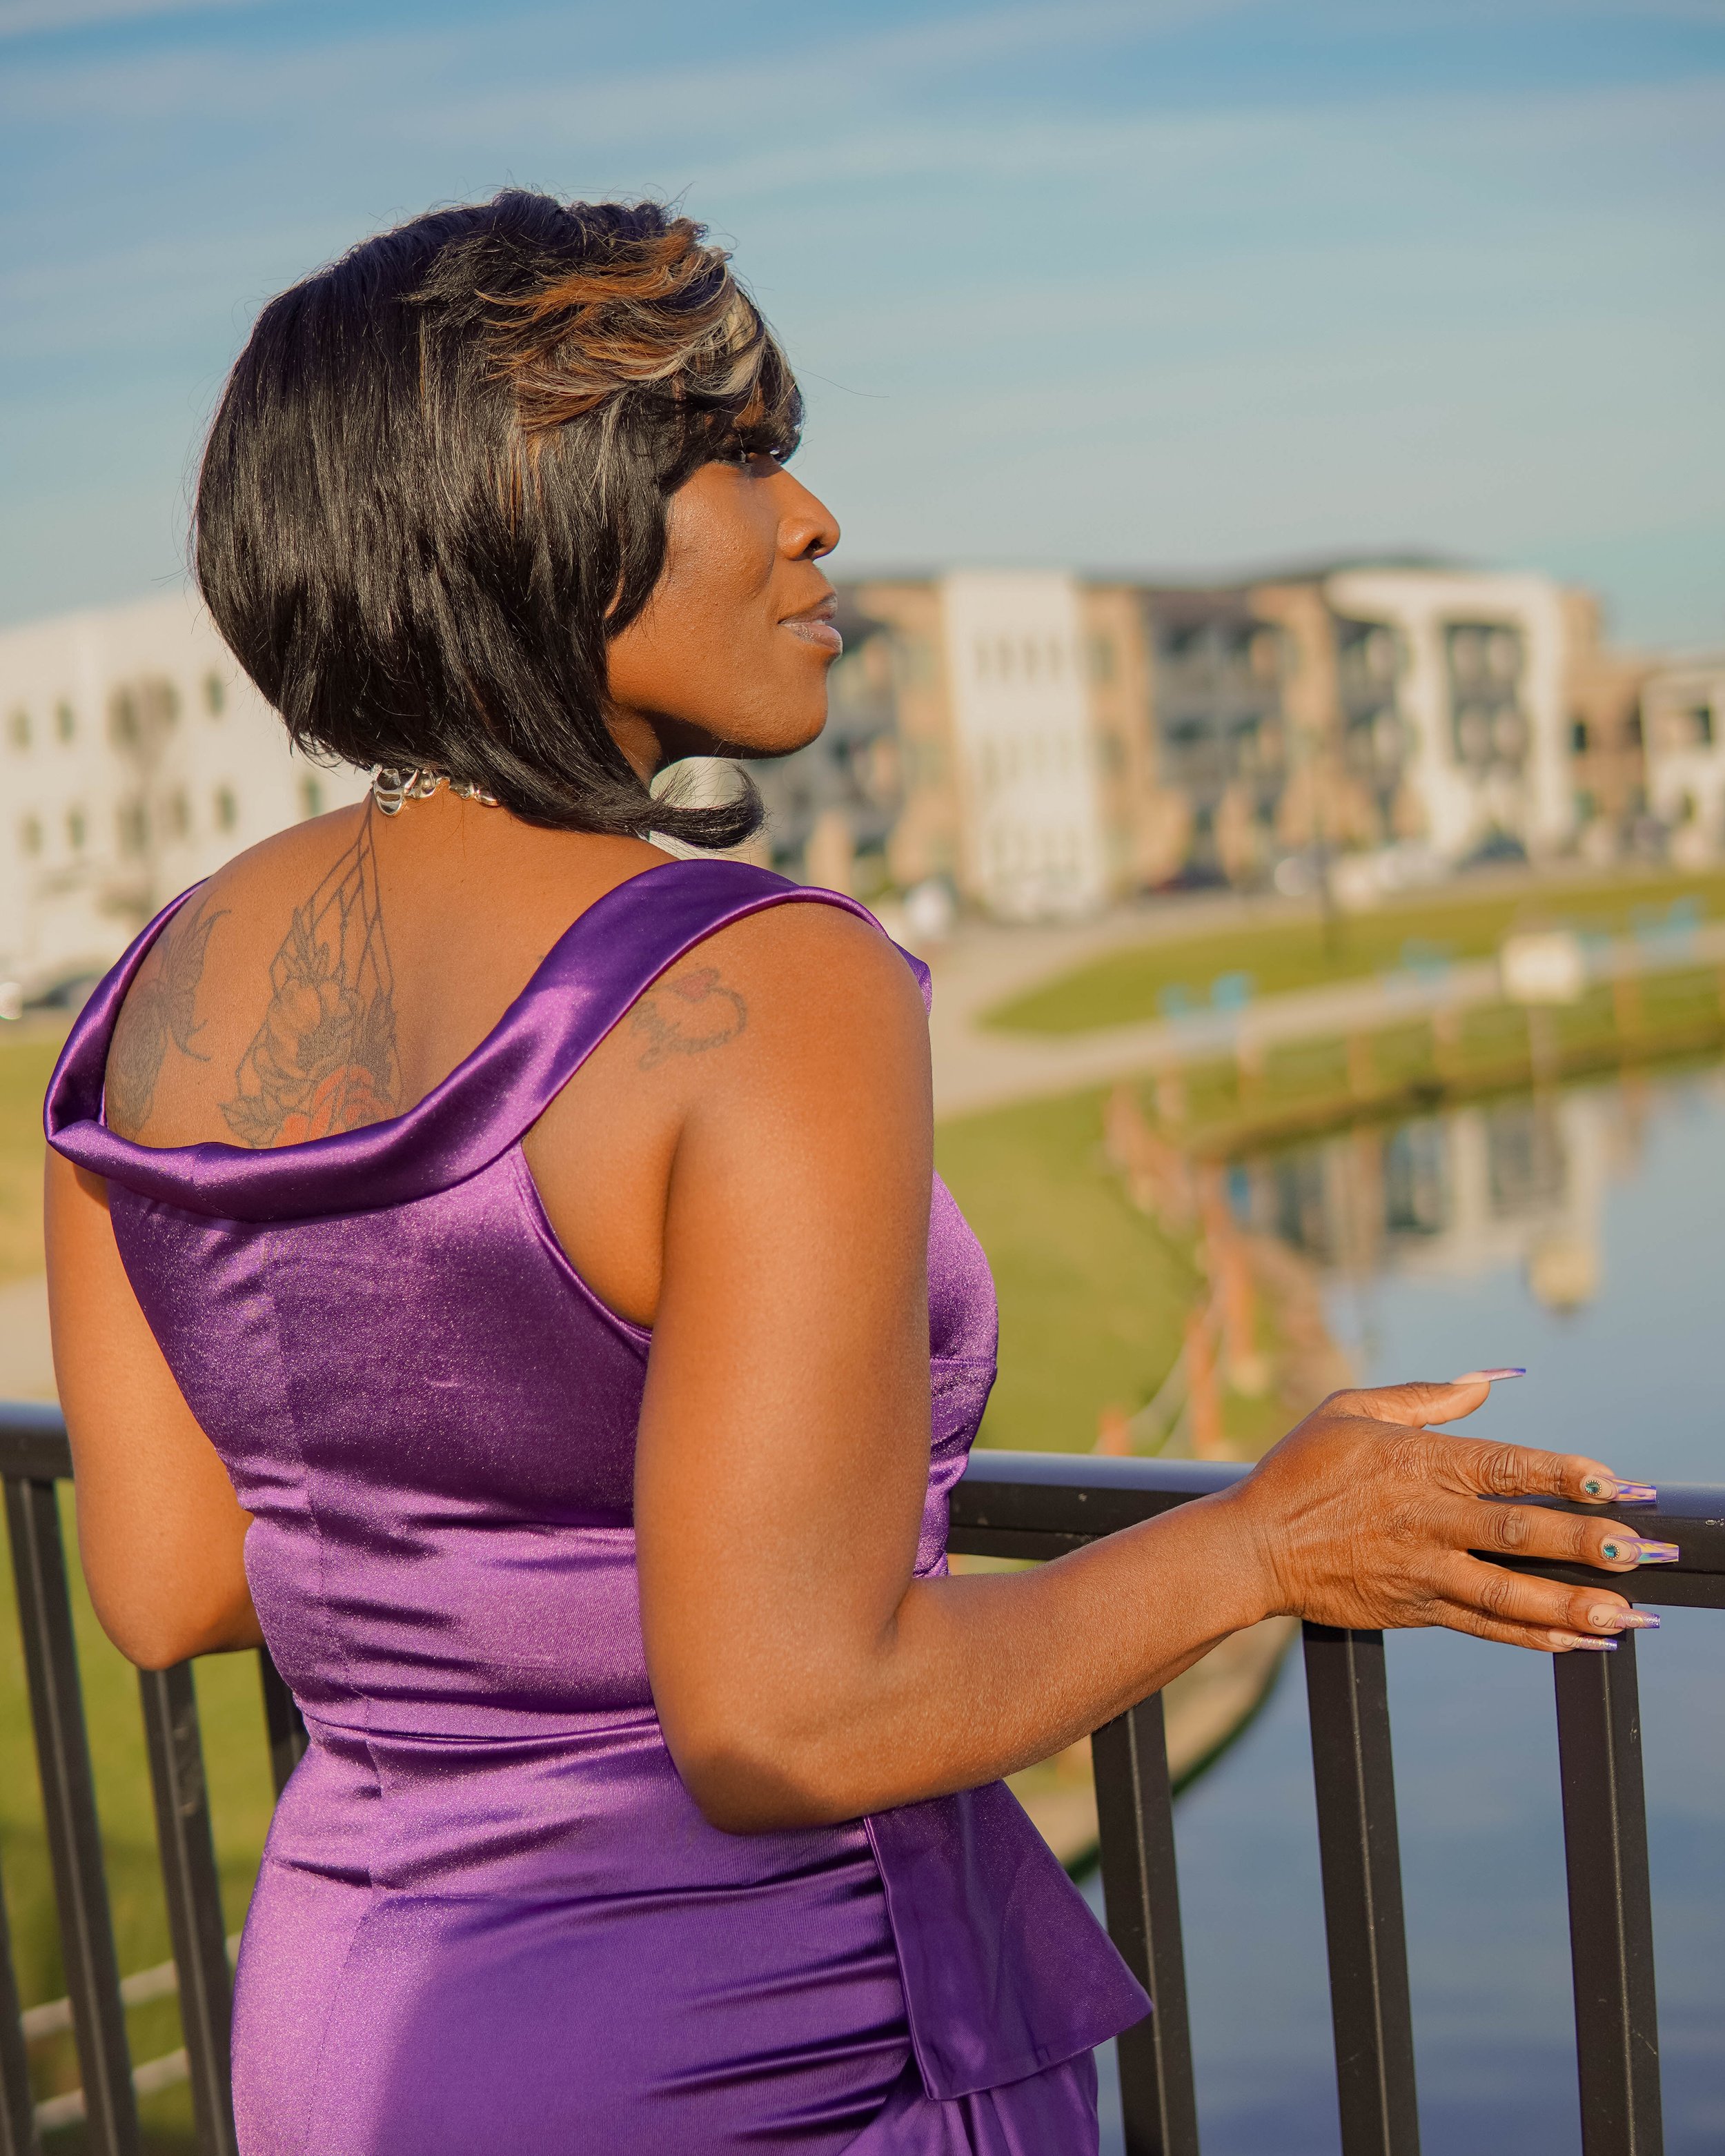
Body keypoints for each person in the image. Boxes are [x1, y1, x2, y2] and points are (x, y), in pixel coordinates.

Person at [43, 192, 1661, 2156]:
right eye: (735, 455)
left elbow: (169, 1582)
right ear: (530, 511)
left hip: (341, 2026)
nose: (814, 520)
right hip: (733, 2048)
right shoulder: (755, 981)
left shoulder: (154, 992)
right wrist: (1262, 1543)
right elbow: (792, 1718)